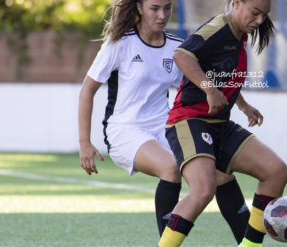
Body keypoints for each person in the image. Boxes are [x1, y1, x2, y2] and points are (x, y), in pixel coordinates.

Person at [78, 0, 250, 243]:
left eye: (167, 8)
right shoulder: (119, 44)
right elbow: (87, 90)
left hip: (165, 126)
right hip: (124, 131)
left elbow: (207, 80)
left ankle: (250, 242)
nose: (162, 15)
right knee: (171, 168)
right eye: (154, 8)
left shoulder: (177, 48)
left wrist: (244, 105)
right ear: (138, 7)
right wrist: (84, 142)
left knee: (220, 172)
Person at [158, 1, 287, 246]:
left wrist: (242, 105)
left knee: (276, 172)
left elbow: (221, 73)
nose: (260, 21)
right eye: (256, 13)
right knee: (203, 190)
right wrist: (209, 90)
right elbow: (181, 55)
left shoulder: (240, 33)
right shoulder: (219, 27)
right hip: (190, 120)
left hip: (220, 124)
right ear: (237, 3)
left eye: (265, 15)